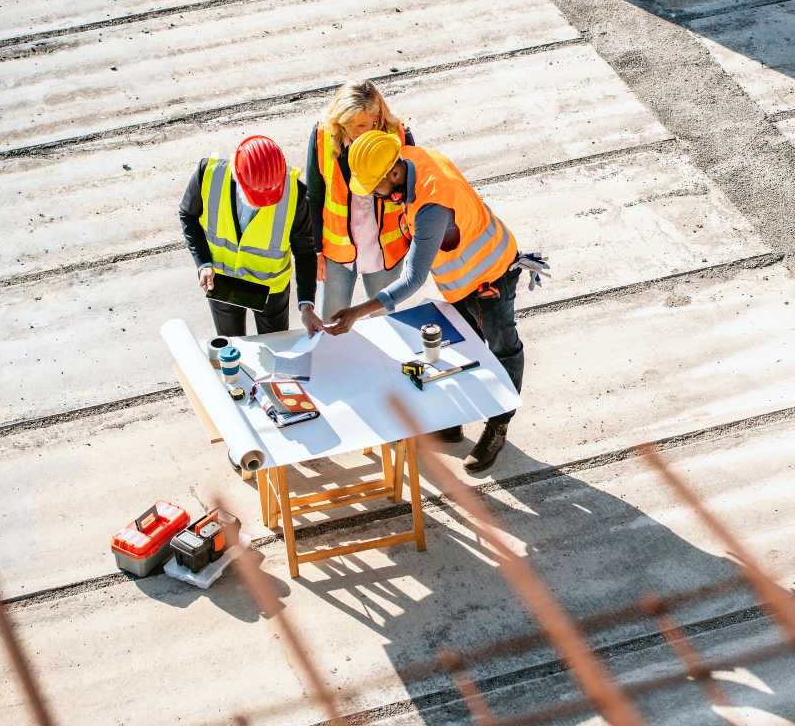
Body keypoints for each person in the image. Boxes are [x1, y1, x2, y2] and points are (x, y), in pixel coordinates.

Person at [326, 131, 546, 473]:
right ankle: (452, 419)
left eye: (374, 186)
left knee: (503, 349)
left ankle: (498, 426)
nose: (372, 193)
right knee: (457, 346)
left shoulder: (431, 205)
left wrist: (358, 312)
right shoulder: (411, 156)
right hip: (461, 280)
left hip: (490, 274)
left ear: (394, 174)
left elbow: (413, 279)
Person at [179, 135, 322, 337]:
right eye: (256, 195)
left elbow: (305, 251)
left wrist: (307, 305)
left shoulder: (295, 192)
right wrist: (203, 264)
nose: (263, 202)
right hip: (223, 281)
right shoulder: (208, 174)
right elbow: (188, 214)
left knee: (276, 347)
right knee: (232, 348)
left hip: (270, 290)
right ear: (237, 175)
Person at [306, 80, 415, 323]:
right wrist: (316, 251)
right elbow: (314, 197)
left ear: (378, 116)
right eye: (351, 126)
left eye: (365, 124)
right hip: (337, 251)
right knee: (330, 322)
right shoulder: (322, 136)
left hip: (385, 249)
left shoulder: (399, 135)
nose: (358, 133)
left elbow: (412, 191)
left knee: (383, 323)